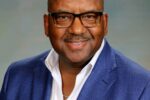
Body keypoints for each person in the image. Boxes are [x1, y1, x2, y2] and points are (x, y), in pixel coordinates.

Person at [1, 0, 150, 100]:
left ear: (104, 23)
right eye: (63, 17)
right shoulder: (16, 77)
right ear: (47, 25)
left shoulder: (141, 87)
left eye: (89, 16)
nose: (76, 30)